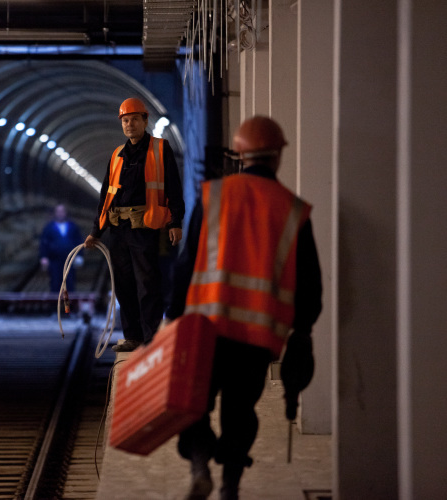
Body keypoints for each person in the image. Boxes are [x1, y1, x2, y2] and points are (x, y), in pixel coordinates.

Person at [166, 115, 323, 500]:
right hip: (256, 337)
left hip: (206, 327)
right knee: (240, 413)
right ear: (277, 158)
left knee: (195, 406)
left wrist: (173, 317)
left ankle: (200, 467)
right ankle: (230, 487)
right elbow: (310, 286)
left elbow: (184, 265)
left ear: (239, 153)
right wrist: (302, 330)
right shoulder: (293, 210)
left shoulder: (212, 196)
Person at [84, 97, 185, 352]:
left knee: (148, 283)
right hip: (118, 231)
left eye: (134, 119)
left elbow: (174, 187)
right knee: (124, 284)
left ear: (145, 121)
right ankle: (133, 336)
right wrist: (96, 231)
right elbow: (106, 195)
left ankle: (151, 339)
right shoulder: (117, 155)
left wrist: (176, 222)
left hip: (145, 229)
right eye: (125, 120)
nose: (129, 125)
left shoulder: (161, 149)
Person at [39, 204, 84, 293]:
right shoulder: (49, 227)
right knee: (55, 283)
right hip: (54, 260)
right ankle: (55, 305)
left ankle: (70, 305)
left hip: (70, 260)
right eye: (58, 212)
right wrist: (43, 256)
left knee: (70, 282)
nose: (60, 214)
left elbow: (79, 241)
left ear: (65, 213)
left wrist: (79, 255)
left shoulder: (73, 226)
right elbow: (44, 243)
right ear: (55, 213)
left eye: (62, 212)